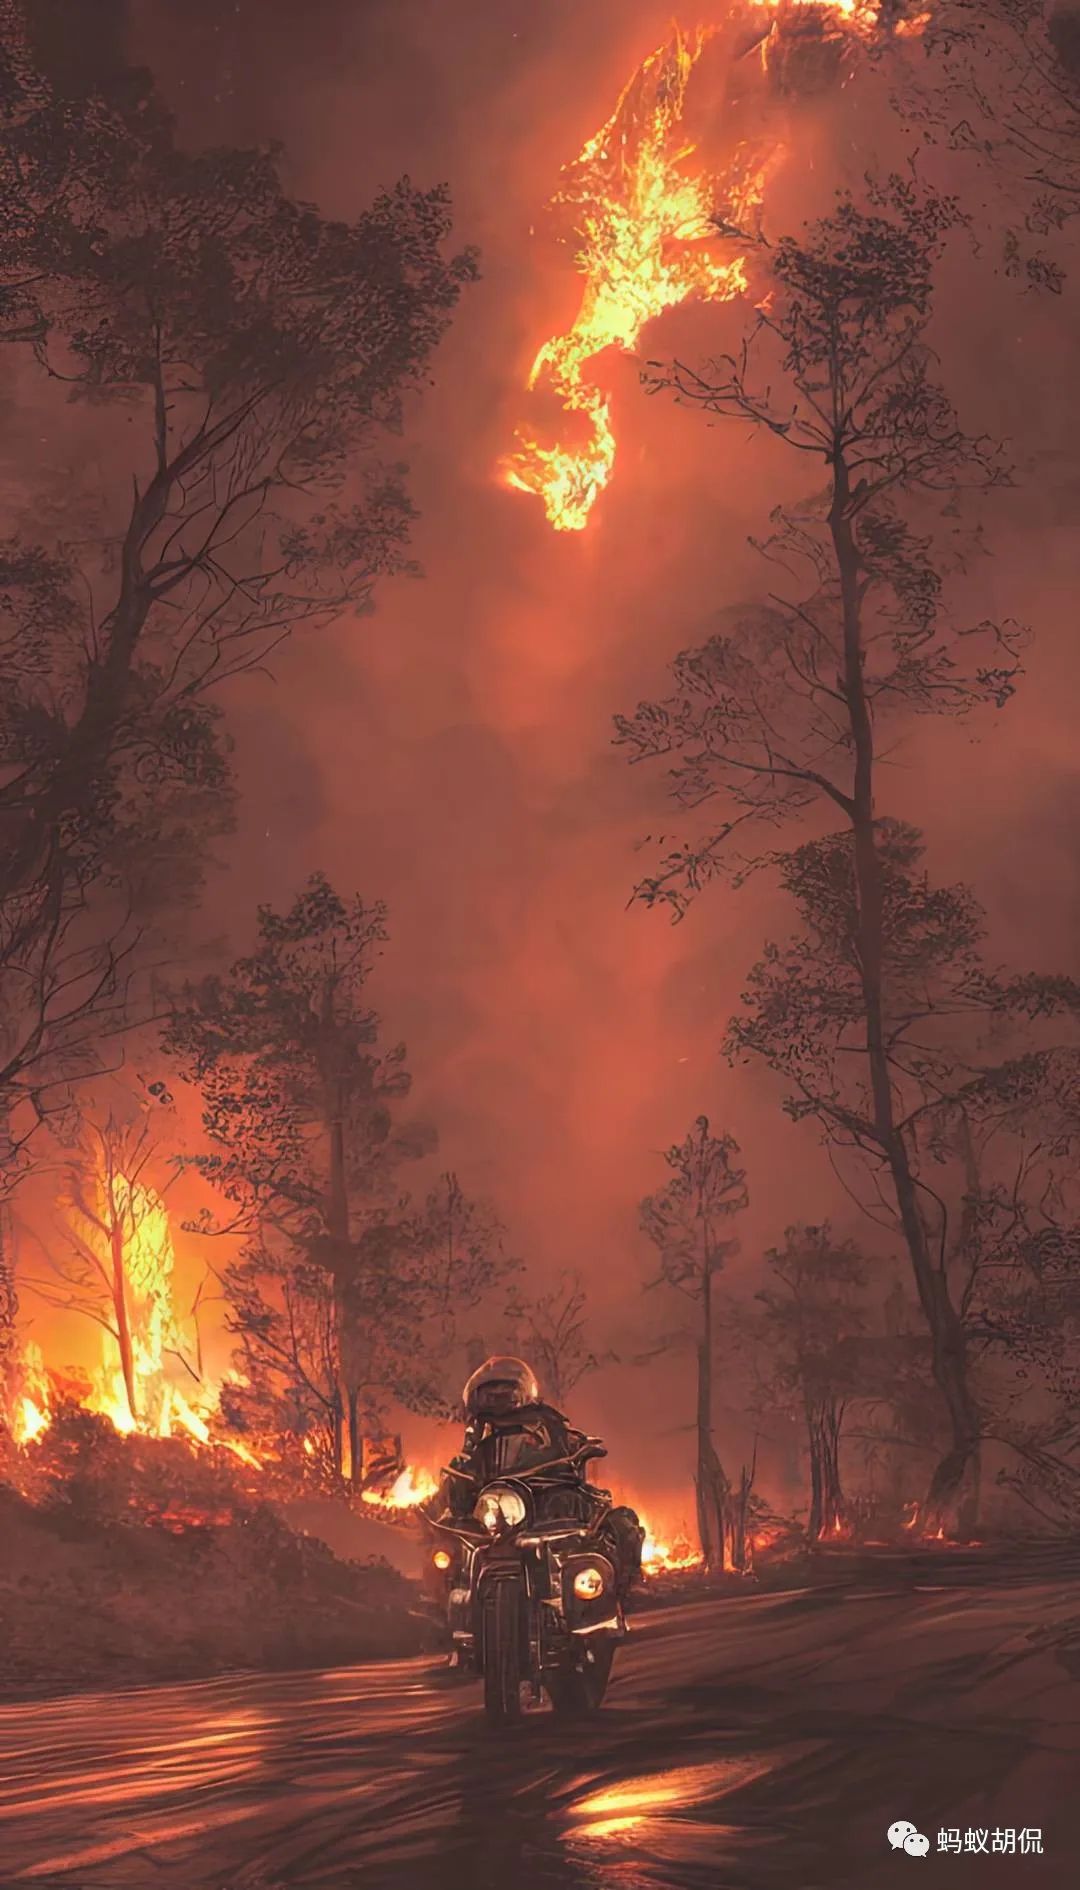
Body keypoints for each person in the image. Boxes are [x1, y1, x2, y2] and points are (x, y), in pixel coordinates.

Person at [433, 1354, 644, 1592]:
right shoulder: (478, 1433)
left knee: (613, 1524)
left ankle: (618, 1587)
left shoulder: (548, 1422)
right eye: (491, 1394)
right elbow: (464, 1462)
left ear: (522, 1391)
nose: (498, 1399)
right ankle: (450, 1603)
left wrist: (580, 1449)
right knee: (444, 1547)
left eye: (506, 1392)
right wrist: (454, 1481)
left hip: (543, 1497)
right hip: (497, 1506)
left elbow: (570, 1441)